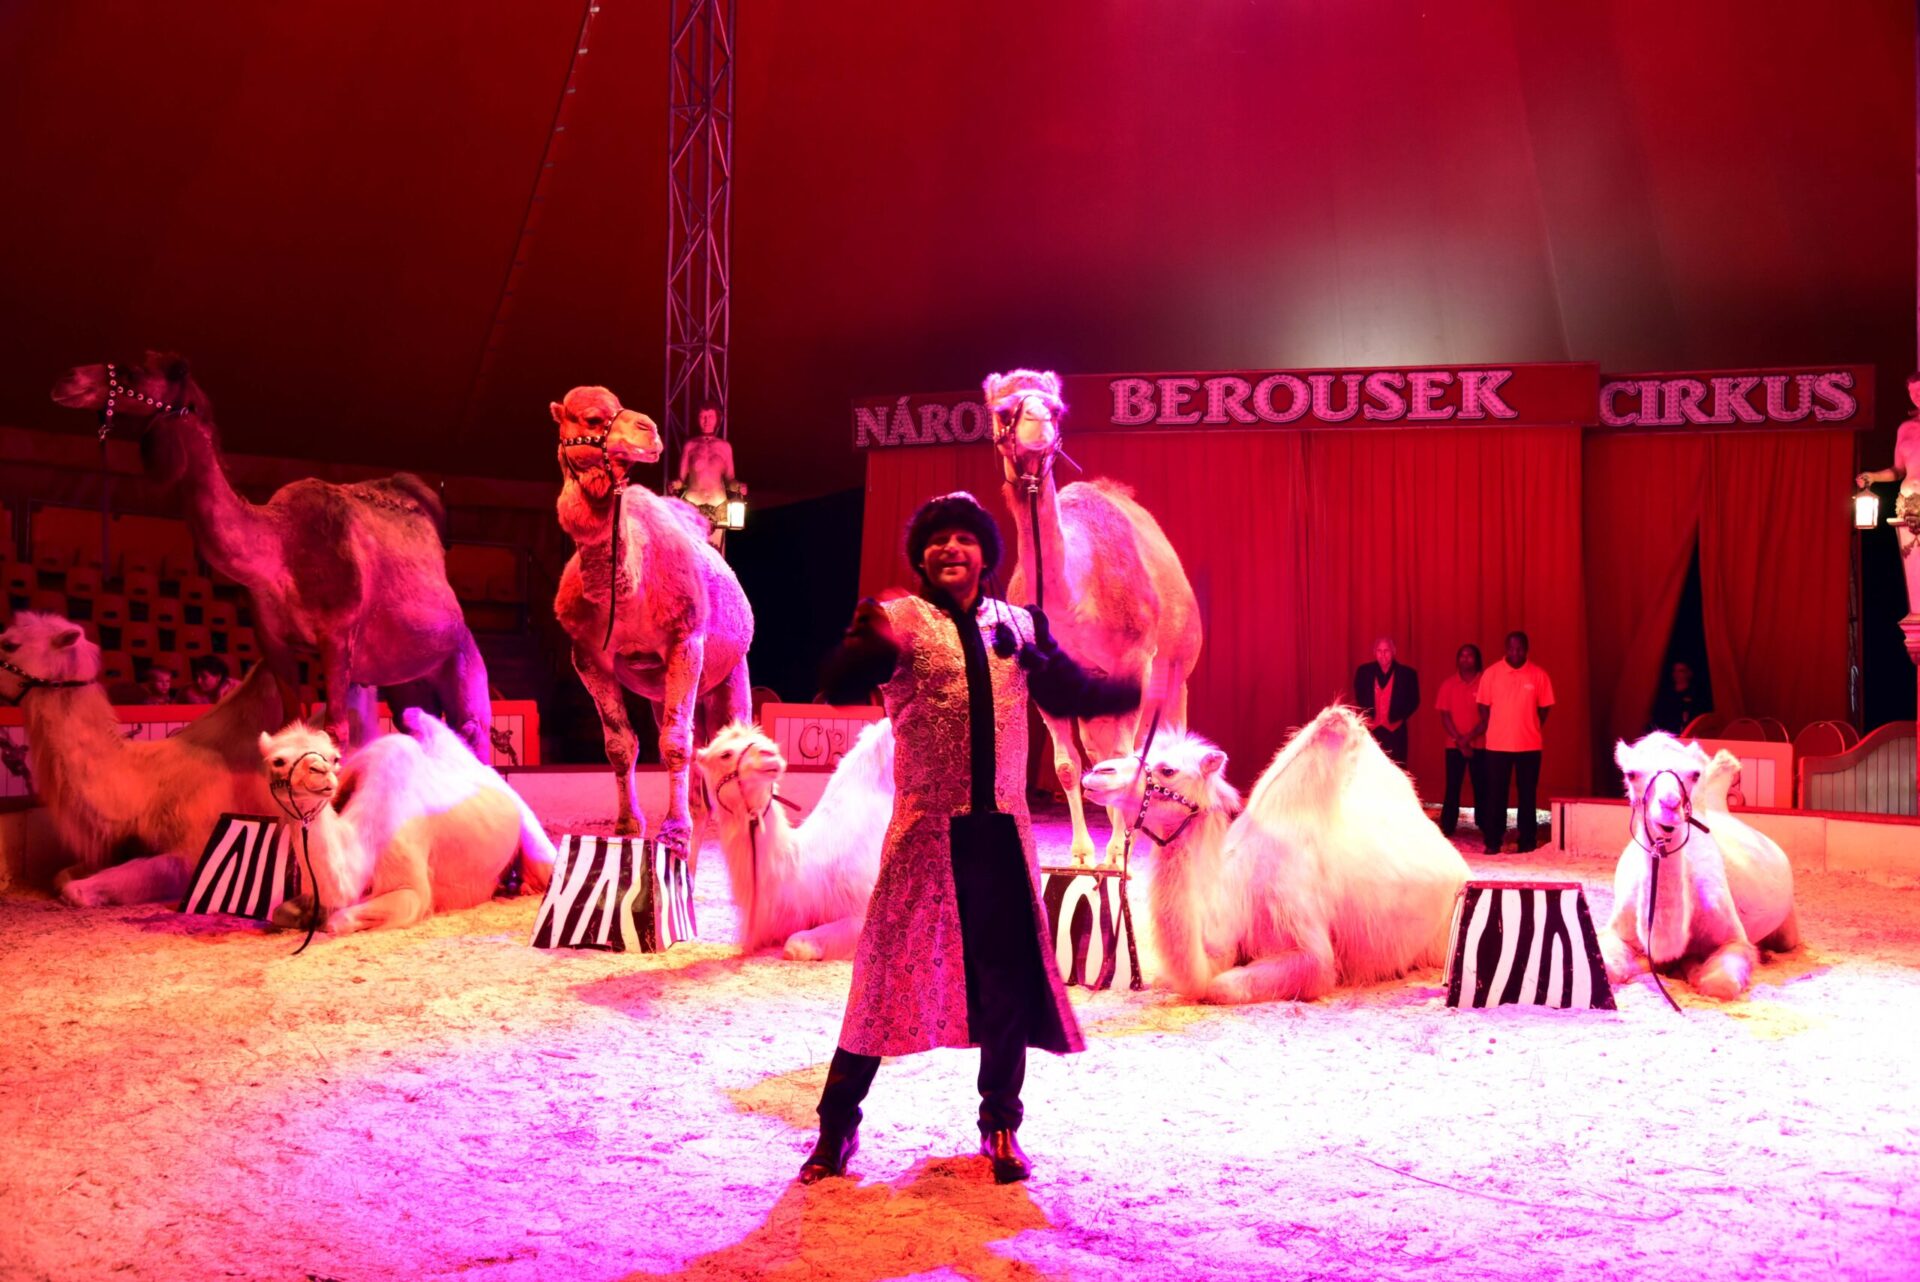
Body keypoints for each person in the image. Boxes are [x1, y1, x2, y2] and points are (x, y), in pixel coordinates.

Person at [800, 491, 1140, 1187]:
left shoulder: (1018, 624)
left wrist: (1125, 691)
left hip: (1002, 840)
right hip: (924, 835)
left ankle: (1001, 1127)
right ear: (921, 557)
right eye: (937, 539)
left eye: (964, 538)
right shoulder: (897, 620)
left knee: (1007, 987)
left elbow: (1070, 693)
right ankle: (836, 1129)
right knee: (880, 980)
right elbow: (838, 681)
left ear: (986, 556)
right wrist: (866, 647)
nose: (950, 547)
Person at [1472, 631, 1554, 854]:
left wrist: (1531, 724)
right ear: (1506, 648)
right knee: (1496, 794)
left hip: (1530, 745)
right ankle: (1493, 841)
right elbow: (1482, 705)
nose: (1515, 653)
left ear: (1526, 650)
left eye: (1519, 649)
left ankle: (1527, 841)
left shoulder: (1538, 675)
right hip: (1497, 746)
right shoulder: (1491, 673)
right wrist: (1495, 725)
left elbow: (1545, 708)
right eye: (1511, 648)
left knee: (1527, 795)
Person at [1856, 370, 1920, 617]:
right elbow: (1898, 470)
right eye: (1913, 392)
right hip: (1909, 504)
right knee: (1915, 572)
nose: (1917, 396)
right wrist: (1873, 476)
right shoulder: (1906, 429)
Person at [669, 402, 745, 551]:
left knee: (715, 554)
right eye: (702, 416)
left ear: (717, 419)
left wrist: (738, 486)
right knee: (691, 552)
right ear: (697, 419)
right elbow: (681, 479)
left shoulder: (725, 446)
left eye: (710, 416)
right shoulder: (690, 445)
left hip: (718, 508)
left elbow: (730, 479)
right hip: (693, 506)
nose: (706, 421)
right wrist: (675, 484)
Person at [1434, 643, 1487, 839]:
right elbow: (1444, 716)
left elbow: (1488, 717)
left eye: (1470, 655)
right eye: (1462, 655)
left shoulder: (1485, 683)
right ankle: (1448, 826)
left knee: (1482, 786)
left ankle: (1485, 825)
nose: (1466, 659)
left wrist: (1469, 738)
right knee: (1453, 786)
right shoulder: (1448, 684)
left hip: (1480, 745)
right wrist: (1460, 740)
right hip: (1454, 745)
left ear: (1477, 659)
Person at [1352, 636, 1419, 767]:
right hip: (1371, 729)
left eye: (1386, 651)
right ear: (1374, 652)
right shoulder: (1363, 672)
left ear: (1394, 651)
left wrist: (1400, 717)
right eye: (1379, 651)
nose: (1383, 655)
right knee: (1370, 767)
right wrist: (1368, 715)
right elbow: (1359, 695)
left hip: (1396, 731)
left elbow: (1414, 700)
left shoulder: (1408, 674)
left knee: (1397, 768)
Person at [1648, 660, 1707, 735]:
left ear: (1689, 673)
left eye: (1681, 671)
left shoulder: (1696, 696)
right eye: (1675, 671)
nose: (1676, 674)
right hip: (1666, 735)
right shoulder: (1666, 695)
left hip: (1686, 735)